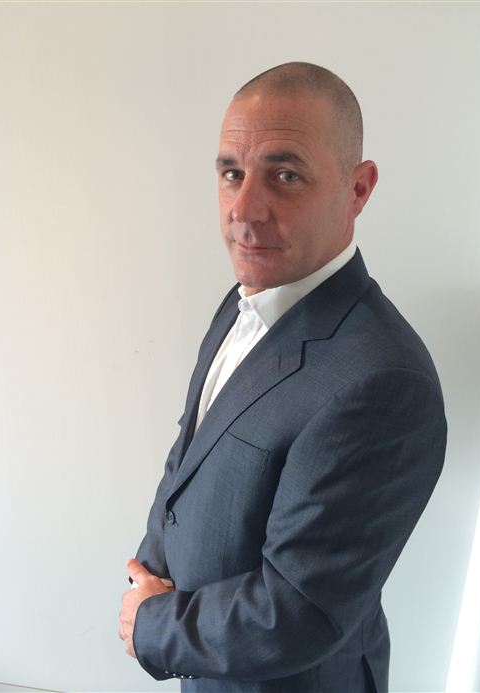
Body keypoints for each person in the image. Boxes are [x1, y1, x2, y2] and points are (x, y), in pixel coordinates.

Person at [118, 62, 447, 693]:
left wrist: (155, 624)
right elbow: (190, 453)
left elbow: (299, 611)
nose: (243, 210)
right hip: (207, 661)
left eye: (285, 175)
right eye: (231, 174)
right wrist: (150, 571)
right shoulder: (247, 296)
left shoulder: (384, 380)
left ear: (358, 189)